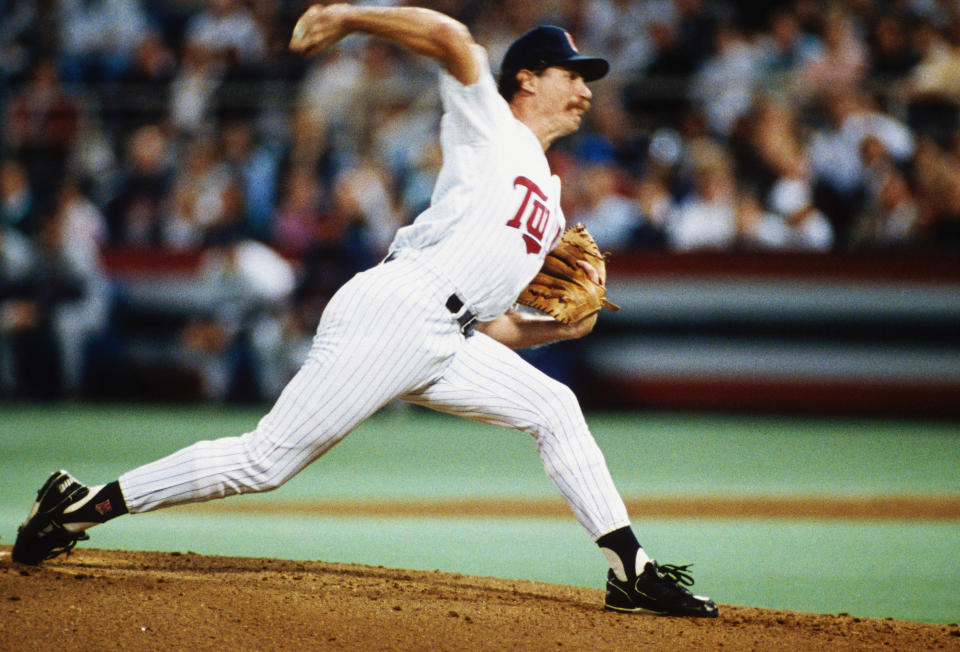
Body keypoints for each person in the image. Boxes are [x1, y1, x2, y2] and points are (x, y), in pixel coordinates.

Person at [12, 4, 717, 618]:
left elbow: (492, 323)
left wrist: (555, 327)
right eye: (572, 72)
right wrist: (349, 15)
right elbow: (452, 37)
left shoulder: (552, 197)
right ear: (528, 77)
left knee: (554, 407)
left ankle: (632, 570)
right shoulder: (490, 127)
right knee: (263, 463)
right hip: (397, 312)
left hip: (446, 333)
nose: (585, 87)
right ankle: (83, 504)